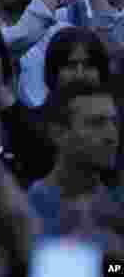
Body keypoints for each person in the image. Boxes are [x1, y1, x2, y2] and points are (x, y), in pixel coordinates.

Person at [29, 83, 120, 236]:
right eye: (97, 123)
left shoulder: (117, 205)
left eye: (114, 123)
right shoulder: (27, 212)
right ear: (58, 134)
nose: (112, 136)